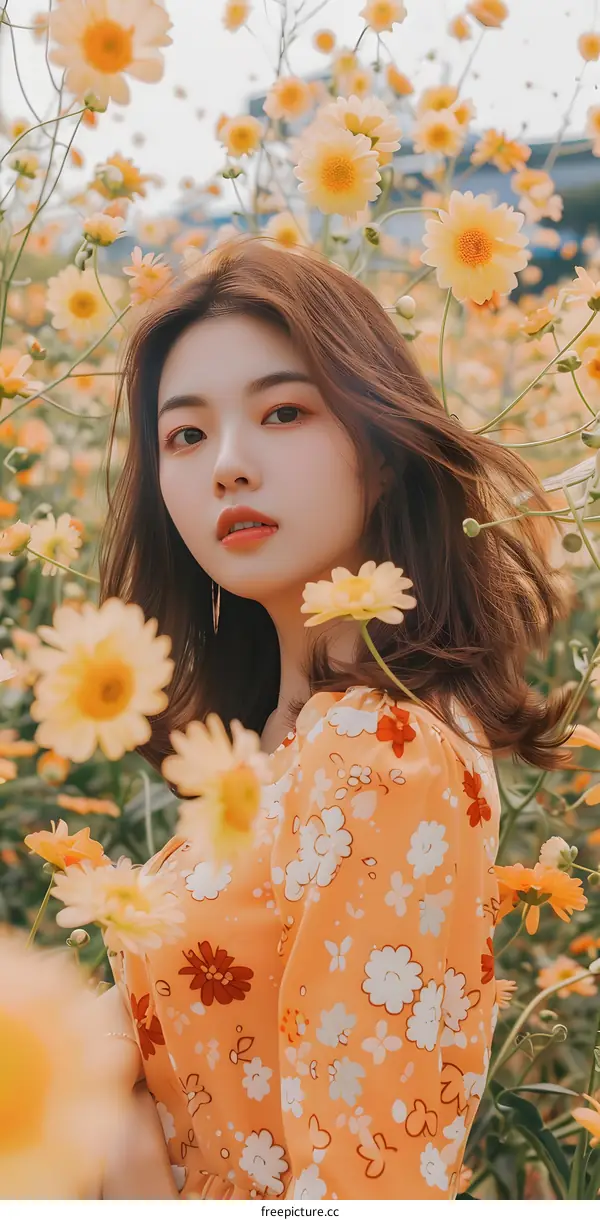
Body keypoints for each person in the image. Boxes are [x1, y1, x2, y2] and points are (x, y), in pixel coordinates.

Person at [95, 235, 574, 1200]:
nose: (227, 464)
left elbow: (363, 1186)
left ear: (385, 455)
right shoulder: (289, 745)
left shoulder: (381, 749)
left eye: (283, 412)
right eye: (184, 435)